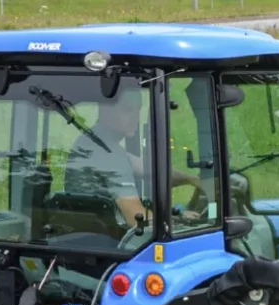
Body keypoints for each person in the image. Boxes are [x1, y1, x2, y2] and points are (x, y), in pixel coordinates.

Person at [64, 89, 205, 230]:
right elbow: (137, 218)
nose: (135, 118)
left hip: (89, 230)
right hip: (109, 236)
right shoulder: (109, 154)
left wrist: (191, 179)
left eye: (138, 110)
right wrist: (179, 221)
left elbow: (149, 169)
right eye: (128, 110)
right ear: (106, 110)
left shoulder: (92, 142)